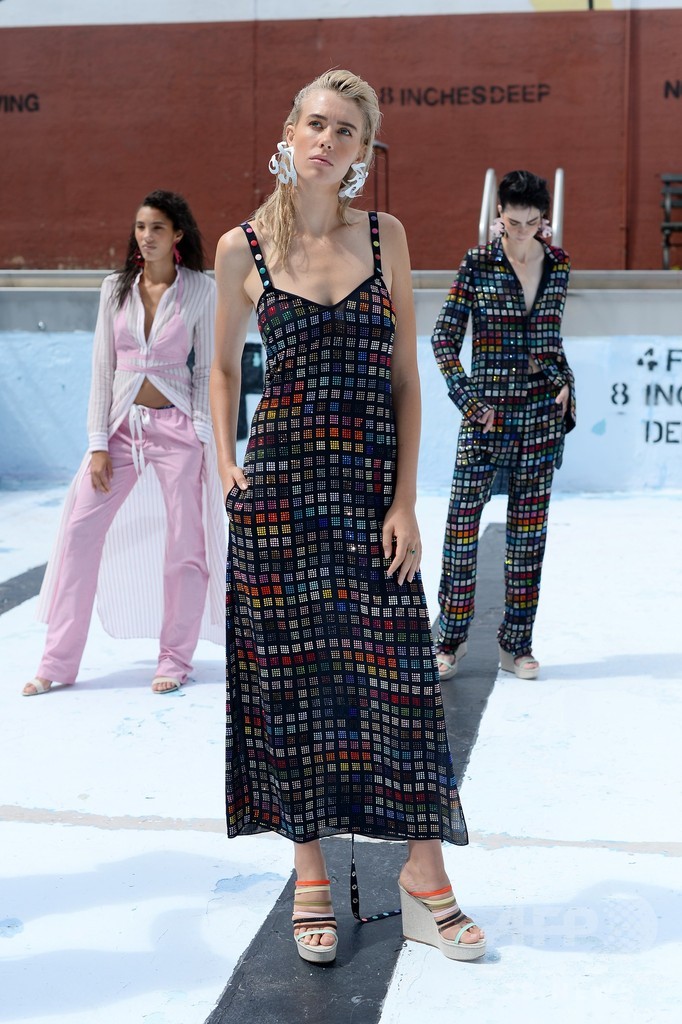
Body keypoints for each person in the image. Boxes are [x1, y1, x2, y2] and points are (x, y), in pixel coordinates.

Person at [210, 69, 485, 965]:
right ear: (289, 132)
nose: (326, 141)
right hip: (279, 502)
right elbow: (222, 369)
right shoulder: (241, 248)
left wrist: (406, 499)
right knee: (295, 686)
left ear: (362, 153)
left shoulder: (385, 235)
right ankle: (311, 873)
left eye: (346, 132)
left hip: (369, 500)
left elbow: (406, 378)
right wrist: (226, 463)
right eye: (316, 124)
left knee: (401, 682)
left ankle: (424, 876)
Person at [23, 190, 225, 696]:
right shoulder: (114, 288)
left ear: (177, 234)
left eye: (157, 227)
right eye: (140, 227)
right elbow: (102, 368)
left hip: (178, 430)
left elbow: (206, 370)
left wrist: (201, 435)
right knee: (78, 536)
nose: (146, 236)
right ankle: (56, 664)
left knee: (187, 545)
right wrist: (97, 443)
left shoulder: (201, 290)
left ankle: (174, 660)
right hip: (119, 430)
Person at [431, 170, 575, 682]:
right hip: (486, 419)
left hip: (540, 417)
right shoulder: (477, 263)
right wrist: (469, 401)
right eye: (513, 222)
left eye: (531, 223)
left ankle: (517, 644)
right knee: (460, 531)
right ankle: (450, 639)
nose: (521, 232)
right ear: (499, 215)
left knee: (528, 539)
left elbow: (550, 340)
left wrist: (565, 382)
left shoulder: (558, 265)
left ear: (543, 219)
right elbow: (443, 339)